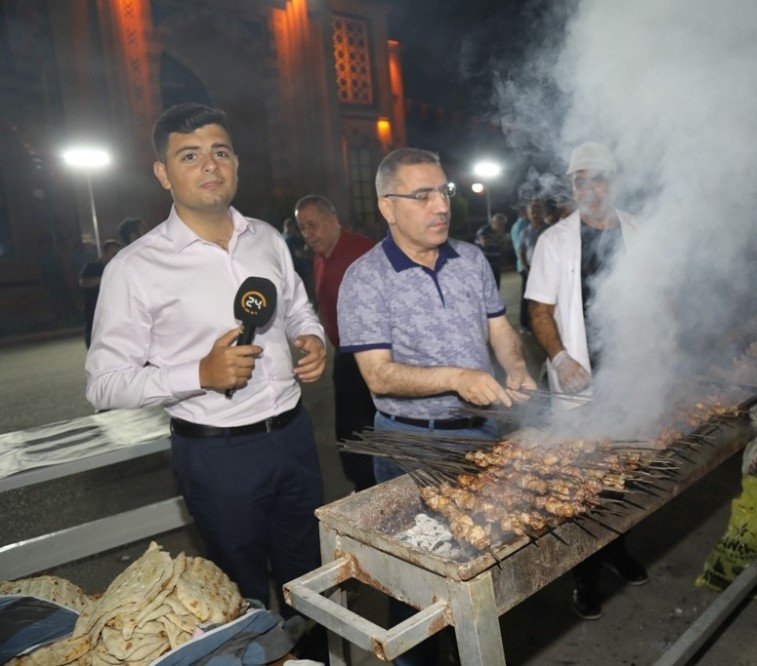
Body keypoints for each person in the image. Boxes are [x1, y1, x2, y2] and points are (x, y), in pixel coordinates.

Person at [85, 103, 327, 619]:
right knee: (238, 599)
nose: (210, 166)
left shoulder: (267, 239)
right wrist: (199, 375)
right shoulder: (134, 267)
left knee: (311, 582)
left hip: (293, 438)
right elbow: (104, 385)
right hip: (218, 458)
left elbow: (300, 311)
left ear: (236, 163)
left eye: (220, 152)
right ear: (162, 174)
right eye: (189, 155)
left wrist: (312, 340)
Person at [338, 147, 536, 665]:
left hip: (482, 434)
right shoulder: (365, 277)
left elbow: (500, 329)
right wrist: (455, 377)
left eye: (442, 192)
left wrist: (514, 366)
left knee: (481, 560)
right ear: (388, 205)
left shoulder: (470, 260)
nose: (440, 206)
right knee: (417, 581)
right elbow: (377, 373)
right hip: (410, 443)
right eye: (421, 195)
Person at [524, 141, 649, 621]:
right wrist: (561, 358)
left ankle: (617, 548)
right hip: (580, 383)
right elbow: (538, 310)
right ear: (572, 185)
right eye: (581, 180)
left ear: (615, 181)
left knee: (626, 473)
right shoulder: (554, 240)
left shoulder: (640, 230)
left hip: (632, 377)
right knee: (583, 481)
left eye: (600, 178)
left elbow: (660, 301)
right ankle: (585, 573)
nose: (591, 189)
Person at [295, 193, 377, 491]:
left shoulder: (363, 251)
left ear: (333, 221)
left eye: (313, 225)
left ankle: (376, 484)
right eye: (303, 228)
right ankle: (362, 484)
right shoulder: (319, 259)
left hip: (371, 354)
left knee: (367, 425)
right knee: (348, 429)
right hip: (344, 355)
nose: (308, 234)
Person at [79, 239, 122, 347]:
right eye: (114, 253)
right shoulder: (92, 267)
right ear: (104, 254)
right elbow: (84, 283)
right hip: (94, 316)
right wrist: (106, 277)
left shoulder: (119, 269)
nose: (116, 256)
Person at [509, 204, 530, 330]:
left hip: (523, 265)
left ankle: (525, 323)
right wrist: (526, 265)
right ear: (524, 211)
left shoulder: (517, 225)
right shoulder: (522, 225)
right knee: (526, 296)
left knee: (526, 295)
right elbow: (520, 248)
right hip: (526, 266)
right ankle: (524, 324)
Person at [475, 212, 507, 288]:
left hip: (496, 262)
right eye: (500, 224)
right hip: (484, 263)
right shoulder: (484, 230)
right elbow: (484, 243)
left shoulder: (500, 232)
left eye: (503, 224)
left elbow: (503, 248)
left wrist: (503, 239)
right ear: (493, 222)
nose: (501, 226)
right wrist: (497, 235)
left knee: (496, 286)